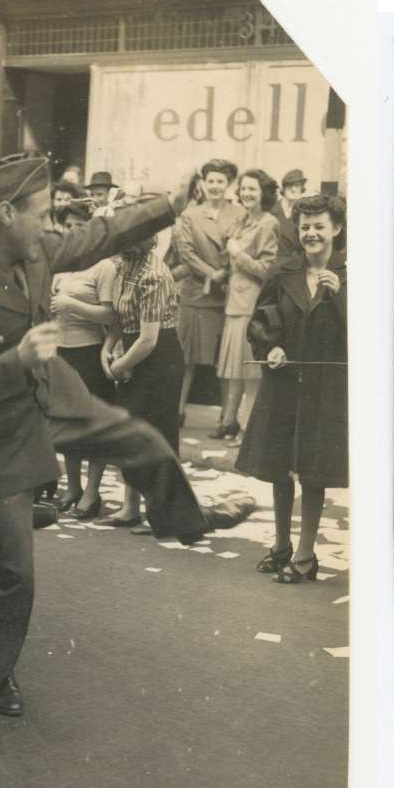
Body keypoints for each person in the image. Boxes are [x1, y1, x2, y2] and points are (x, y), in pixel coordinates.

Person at [0, 154, 253, 716]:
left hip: (48, 393)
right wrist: (13, 360)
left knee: (139, 440)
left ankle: (184, 521)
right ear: (3, 213)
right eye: (39, 213)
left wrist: (168, 203)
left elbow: (99, 234)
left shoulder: (35, 246)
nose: (49, 225)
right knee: (13, 567)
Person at [236, 195, 348, 583]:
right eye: (304, 227)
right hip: (284, 383)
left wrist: (342, 297)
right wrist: (272, 347)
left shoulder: (351, 273)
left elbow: (367, 333)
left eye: (319, 225)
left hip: (325, 387)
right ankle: (281, 544)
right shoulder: (284, 272)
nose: (311, 233)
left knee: (312, 470)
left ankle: (305, 555)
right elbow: (262, 321)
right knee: (279, 466)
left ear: (335, 228)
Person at [101, 221, 183, 528]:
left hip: (159, 358)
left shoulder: (154, 274)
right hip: (132, 351)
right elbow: (119, 320)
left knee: (157, 433)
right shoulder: (124, 266)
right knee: (131, 432)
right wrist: (107, 350)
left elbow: (149, 339)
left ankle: (161, 511)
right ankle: (130, 507)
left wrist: (119, 366)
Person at [49, 198, 121, 519]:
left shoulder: (104, 266)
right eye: (67, 226)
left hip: (89, 354)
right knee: (67, 424)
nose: (72, 232)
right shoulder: (61, 265)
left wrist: (70, 304)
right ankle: (73, 486)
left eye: (79, 226)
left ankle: (92, 493)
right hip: (61, 352)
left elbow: (110, 315)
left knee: (92, 427)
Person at [170, 158, 244, 430]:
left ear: (229, 185)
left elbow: (240, 245)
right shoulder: (190, 215)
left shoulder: (239, 214)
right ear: (203, 183)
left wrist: (224, 272)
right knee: (186, 357)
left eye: (220, 181)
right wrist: (211, 274)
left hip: (225, 294)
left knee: (224, 360)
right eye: (210, 181)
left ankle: (228, 419)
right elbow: (186, 253)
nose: (215, 186)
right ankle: (175, 412)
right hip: (195, 294)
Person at [216, 168, 283, 438]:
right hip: (235, 302)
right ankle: (230, 423)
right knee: (235, 369)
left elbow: (267, 269)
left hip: (252, 305)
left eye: (252, 189)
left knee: (251, 372)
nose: (246, 193)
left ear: (264, 193)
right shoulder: (243, 220)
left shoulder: (268, 223)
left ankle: (249, 431)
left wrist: (238, 253)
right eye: (243, 188)